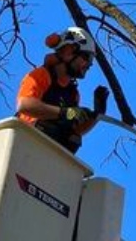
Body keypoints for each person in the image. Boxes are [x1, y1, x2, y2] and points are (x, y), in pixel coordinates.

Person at [16, 26, 109, 154]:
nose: (89, 65)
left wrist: (97, 114)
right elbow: (25, 106)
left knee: (72, 138)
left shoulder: (72, 94)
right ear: (69, 52)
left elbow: (76, 130)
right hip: (27, 140)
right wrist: (65, 113)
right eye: (87, 57)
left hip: (52, 155)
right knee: (49, 127)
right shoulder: (41, 75)